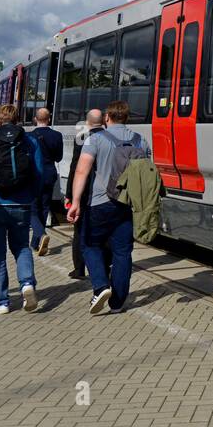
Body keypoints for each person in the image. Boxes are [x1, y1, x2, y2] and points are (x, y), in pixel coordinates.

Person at [68, 101, 150, 314]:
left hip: (99, 203)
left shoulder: (95, 139)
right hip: (126, 205)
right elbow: (148, 174)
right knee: (123, 252)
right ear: (127, 117)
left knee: (89, 244)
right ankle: (118, 303)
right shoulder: (141, 141)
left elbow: (81, 172)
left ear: (107, 118)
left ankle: (101, 287)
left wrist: (75, 202)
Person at [0, 104, 52, 314]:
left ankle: (1, 302)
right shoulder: (30, 140)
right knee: (22, 247)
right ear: (17, 119)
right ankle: (27, 284)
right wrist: (31, 197)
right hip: (22, 203)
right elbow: (38, 172)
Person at [64, 109, 106, 280]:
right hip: (104, 192)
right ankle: (102, 267)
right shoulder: (111, 138)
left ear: (87, 123)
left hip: (83, 190)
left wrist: (69, 194)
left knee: (80, 231)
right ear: (104, 120)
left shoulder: (82, 139)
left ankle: (79, 269)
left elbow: (75, 168)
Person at [27, 108, 64, 256]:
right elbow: (59, 157)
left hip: (33, 174)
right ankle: (36, 243)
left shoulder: (29, 136)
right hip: (49, 173)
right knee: (44, 207)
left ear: (36, 119)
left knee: (33, 209)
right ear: (49, 119)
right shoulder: (57, 135)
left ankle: (40, 234)